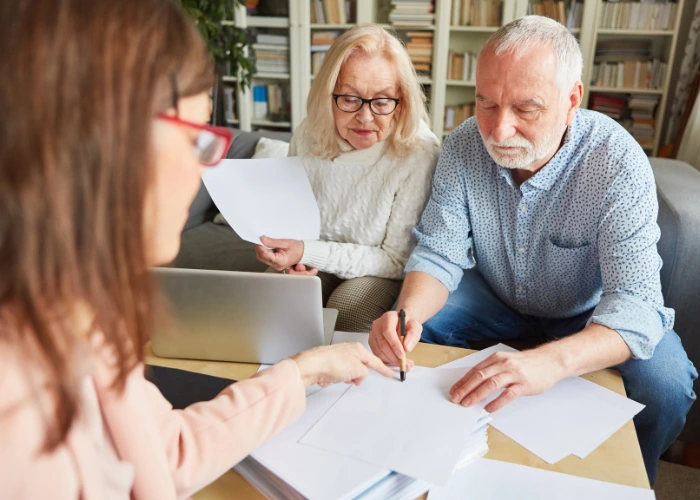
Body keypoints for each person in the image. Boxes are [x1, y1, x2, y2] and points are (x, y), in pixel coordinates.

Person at [0, 1, 393, 498]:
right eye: (195, 142)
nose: (205, 170)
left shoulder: (81, 318)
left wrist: (303, 370)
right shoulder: (17, 399)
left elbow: (166, 454)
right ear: (97, 143)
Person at [369, 16, 697, 484]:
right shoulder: (463, 146)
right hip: (493, 296)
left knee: (666, 383)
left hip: (589, 313)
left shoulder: (616, 161)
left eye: (526, 109)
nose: (499, 130)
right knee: (414, 334)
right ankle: (428, 467)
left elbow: (637, 303)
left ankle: (626, 483)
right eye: (486, 104)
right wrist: (406, 315)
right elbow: (439, 253)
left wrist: (552, 362)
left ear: (571, 101)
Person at [254, 24, 441, 332]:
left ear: (402, 101)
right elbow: (291, 217)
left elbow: (395, 260)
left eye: (382, 102)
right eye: (350, 99)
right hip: (314, 254)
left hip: (379, 270)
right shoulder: (309, 133)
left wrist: (307, 250)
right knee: (267, 298)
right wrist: (286, 254)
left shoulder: (419, 152)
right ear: (328, 95)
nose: (365, 117)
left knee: (347, 312)